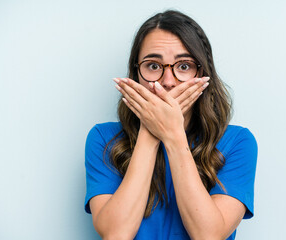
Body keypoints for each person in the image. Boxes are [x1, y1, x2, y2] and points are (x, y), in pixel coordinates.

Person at [84, 10, 258, 240]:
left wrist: (173, 136)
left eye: (184, 66)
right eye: (153, 66)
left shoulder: (238, 142)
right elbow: (116, 234)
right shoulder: (103, 138)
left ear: (203, 73)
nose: (167, 82)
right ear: (136, 74)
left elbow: (209, 236)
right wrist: (150, 131)